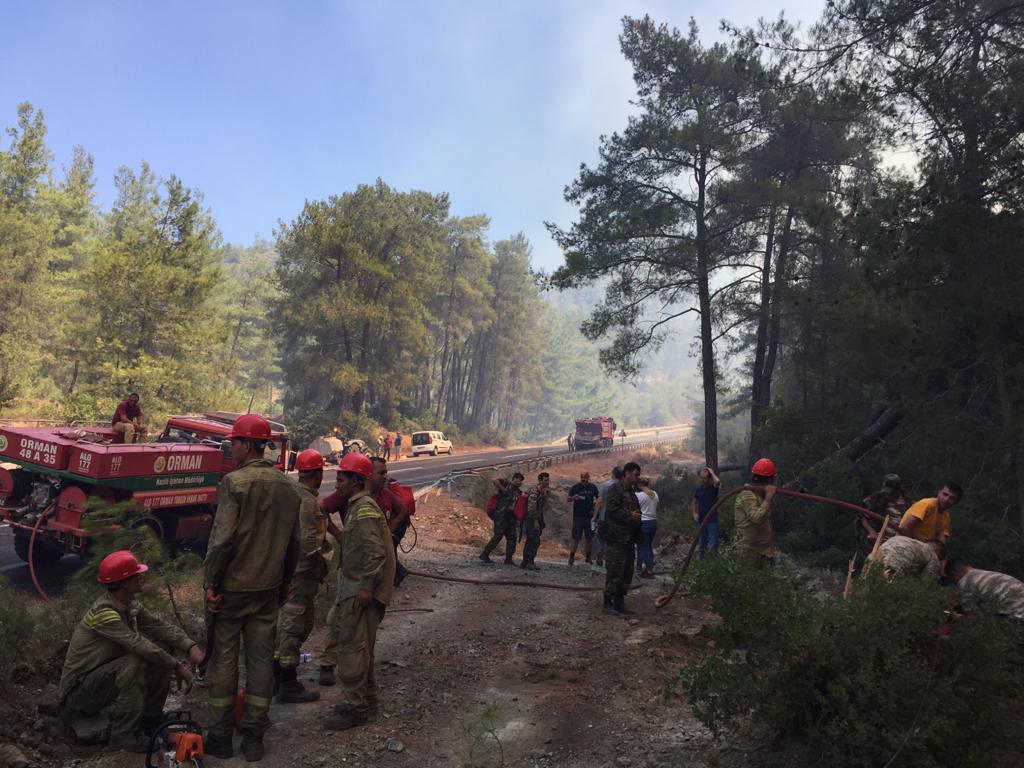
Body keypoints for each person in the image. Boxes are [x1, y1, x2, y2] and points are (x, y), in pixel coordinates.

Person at [202, 414, 302, 762]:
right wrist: (286, 581)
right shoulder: (288, 486)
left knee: (225, 663)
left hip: (232, 590)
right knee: (260, 663)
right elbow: (295, 542)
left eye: (234, 442)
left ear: (247, 444)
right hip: (268, 590)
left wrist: (211, 583)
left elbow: (221, 541)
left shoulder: (234, 483)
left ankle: (219, 738)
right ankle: (254, 738)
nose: (232, 448)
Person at [59, 550, 203, 753]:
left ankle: (150, 721)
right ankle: (123, 736)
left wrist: (190, 646)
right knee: (136, 661)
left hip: (99, 682)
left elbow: (159, 627)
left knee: (159, 652)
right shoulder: (104, 614)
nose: (142, 577)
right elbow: (138, 644)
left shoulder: (128, 604)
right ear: (125, 583)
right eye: (137, 575)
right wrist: (176, 665)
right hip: (78, 696)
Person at [324, 452, 397, 731]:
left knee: (353, 650)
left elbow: (375, 554)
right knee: (361, 649)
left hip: (361, 592)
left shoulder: (363, 509)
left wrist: (366, 587)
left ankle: (357, 708)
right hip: (355, 589)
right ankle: (366, 702)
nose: (337, 484)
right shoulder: (358, 505)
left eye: (341, 479)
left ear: (355, 481)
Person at [275, 449, 332, 704]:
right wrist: (320, 564)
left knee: (296, 623)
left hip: (289, 573)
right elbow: (310, 544)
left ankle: (278, 675)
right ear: (318, 473)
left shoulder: (292, 495)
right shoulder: (308, 503)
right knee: (293, 625)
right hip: (301, 575)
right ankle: (286, 682)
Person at [603, 462, 641, 614]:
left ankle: (619, 601)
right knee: (614, 571)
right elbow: (612, 510)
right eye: (636, 474)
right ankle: (607, 603)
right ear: (627, 474)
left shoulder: (631, 492)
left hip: (628, 539)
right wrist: (629, 515)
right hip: (616, 538)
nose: (637, 478)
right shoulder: (615, 489)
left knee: (627, 572)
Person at [367, 457, 412, 586]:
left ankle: (393, 576)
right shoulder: (355, 493)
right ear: (368, 474)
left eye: (385, 472)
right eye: (381, 473)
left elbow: (403, 510)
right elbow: (324, 506)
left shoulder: (386, 493)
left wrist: (389, 531)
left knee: (387, 550)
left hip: (388, 532)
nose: (386, 477)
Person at [733, 458, 777, 569]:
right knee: (748, 585)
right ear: (770, 480)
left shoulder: (758, 495)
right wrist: (768, 498)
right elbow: (756, 518)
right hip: (749, 553)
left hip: (764, 552)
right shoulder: (747, 495)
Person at [946, 559, 1024, 621]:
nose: (955, 582)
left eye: (953, 579)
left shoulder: (965, 581)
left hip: (1016, 611)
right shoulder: (983, 573)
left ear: (954, 574)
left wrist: (956, 617)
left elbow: (971, 618)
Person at [480, 472, 525, 565]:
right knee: (498, 536)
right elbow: (494, 480)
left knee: (512, 538)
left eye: (521, 481)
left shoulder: (518, 492)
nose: (520, 482)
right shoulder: (506, 483)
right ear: (514, 479)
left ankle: (508, 559)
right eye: (519, 480)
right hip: (501, 516)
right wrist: (503, 489)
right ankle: (485, 554)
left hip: (511, 518)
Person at [861, 474, 910, 544]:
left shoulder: (908, 503)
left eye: (891, 494)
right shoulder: (876, 499)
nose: (887, 496)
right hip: (880, 541)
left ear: (898, 490)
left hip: (900, 542)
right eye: (886, 493)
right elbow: (863, 518)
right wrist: (871, 531)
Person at [872, 537, 945, 580]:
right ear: (937, 550)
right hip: (898, 561)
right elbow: (925, 581)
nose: (938, 560)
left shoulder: (913, 542)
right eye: (939, 557)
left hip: (880, 552)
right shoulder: (933, 556)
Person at [593, 467, 624, 567]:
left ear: (613, 474)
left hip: (603, 517)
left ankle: (600, 552)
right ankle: (611, 560)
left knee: (600, 536)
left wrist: (594, 516)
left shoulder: (605, 485)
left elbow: (599, 501)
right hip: (617, 519)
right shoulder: (623, 486)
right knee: (614, 540)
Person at [567, 471, 599, 566]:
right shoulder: (576, 487)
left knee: (589, 537)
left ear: (589, 477)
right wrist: (574, 498)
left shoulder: (593, 487)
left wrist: (595, 509)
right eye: (582, 478)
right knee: (575, 537)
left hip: (590, 517)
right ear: (580, 477)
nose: (584, 479)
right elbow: (568, 499)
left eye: (585, 477)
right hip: (578, 516)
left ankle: (588, 557)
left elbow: (599, 498)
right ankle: (571, 557)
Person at [520, 472, 551, 570]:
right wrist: (536, 521)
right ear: (540, 480)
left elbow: (540, 508)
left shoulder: (543, 491)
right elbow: (531, 508)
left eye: (548, 480)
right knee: (534, 541)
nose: (547, 482)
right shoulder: (534, 491)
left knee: (530, 540)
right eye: (546, 480)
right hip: (531, 519)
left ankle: (525, 562)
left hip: (536, 518)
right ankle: (530, 562)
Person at [692, 467, 721, 559]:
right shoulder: (698, 490)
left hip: (712, 521)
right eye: (701, 478)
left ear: (708, 479)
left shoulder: (713, 488)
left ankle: (712, 567)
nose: (702, 480)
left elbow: (717, 482)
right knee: (702, 545)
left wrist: (712, 473)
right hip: (701, 521)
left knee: (712, 545)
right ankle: (701, 566)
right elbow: (694, 501)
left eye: (704, 478)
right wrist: (694, 513)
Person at [635, 477, 659, 578]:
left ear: (639, 485)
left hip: (643, 523)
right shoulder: (655, 494)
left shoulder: (638, 495)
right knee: (647, 545)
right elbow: (658, 507)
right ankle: (639, 567)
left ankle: (649, 570)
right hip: (653, 522)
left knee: (644, 546)